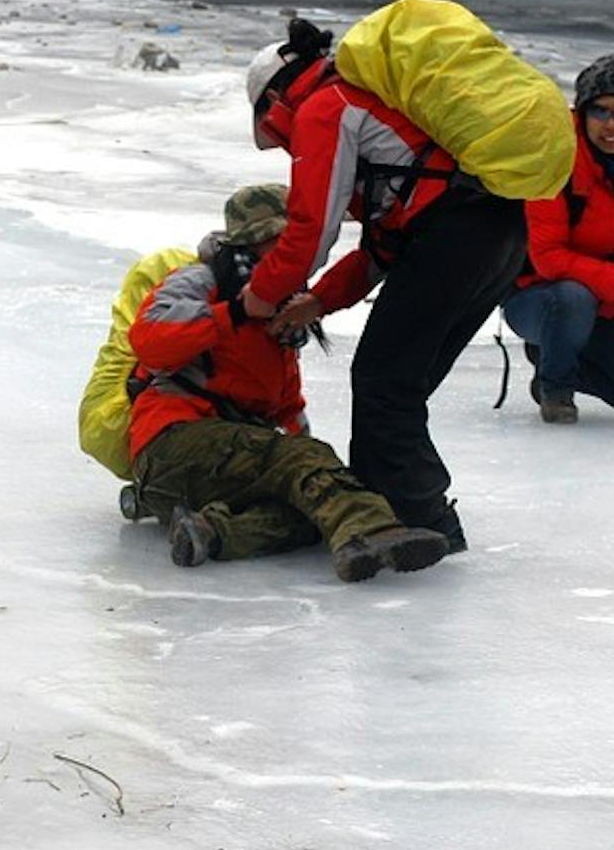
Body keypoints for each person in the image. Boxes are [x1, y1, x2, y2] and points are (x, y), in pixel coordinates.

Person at [242, 20, 531, 551]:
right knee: (397, 384)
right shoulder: (370, 110)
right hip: (499, 232)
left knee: (383, 382)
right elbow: (383, 248)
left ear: (275, 99)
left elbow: (311, 232)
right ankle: (379, 509)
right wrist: (319, 301)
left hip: (458, 234)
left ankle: (425, 522)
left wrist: (258, 297)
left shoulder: (324, 107)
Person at [127, 186, 451, 583]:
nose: (290, 253)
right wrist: (235, 312)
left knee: (314, 506)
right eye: (277, 241)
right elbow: (149, 340)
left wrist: (316, 466)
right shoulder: (201, 281)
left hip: (209, 474)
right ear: (250, 241)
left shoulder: (281, 311)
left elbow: (285, 405)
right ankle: (371, 532)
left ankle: (209, 533)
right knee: (306, 466)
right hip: (171, 444)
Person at [503, 54, 614, 425]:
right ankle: (556, 389)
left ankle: (555, 363)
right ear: (582, 112)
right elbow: (548, 256)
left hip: (605, 303)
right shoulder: (556, 156)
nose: (611, 125)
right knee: (572, 297)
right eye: (600, 111)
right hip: (538, 297)